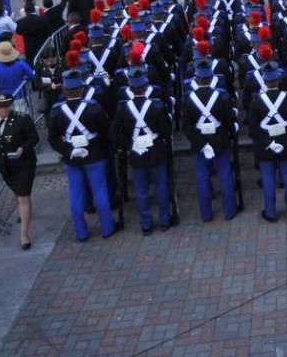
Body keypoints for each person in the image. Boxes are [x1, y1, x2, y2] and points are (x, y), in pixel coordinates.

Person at [48, 68, 118, 241]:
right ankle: (107, 227)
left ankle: (81, 231)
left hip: (72, 156)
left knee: (76, 194)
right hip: (94, 153)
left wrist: (67, 150)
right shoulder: (93, 107)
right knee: (100, 191)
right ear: (81, 89)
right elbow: (104, 130)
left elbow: (52, 138)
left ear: (64, 90)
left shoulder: (56, 110)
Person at [111, 68, 173, 234]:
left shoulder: (123, 108)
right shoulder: (156, 106)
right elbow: (166, 130)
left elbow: (114, 132)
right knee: (161, 187)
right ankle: (164, 220)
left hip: (136, 153)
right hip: (156, 151)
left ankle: (146, 224)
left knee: (141, 191)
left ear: (130, 89)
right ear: (146, 87)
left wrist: (130, 144)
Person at [181, 59, 239, 222]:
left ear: (197, 78)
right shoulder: (222, 96)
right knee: (225, 175)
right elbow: (228, 119)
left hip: (199, 140)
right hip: (220, 138)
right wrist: (230, 133)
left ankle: (206, 214)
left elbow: (186, 125)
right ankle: (229, 211)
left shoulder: (188, 98)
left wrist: (197, 141)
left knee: (202, 178)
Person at [246, 61, 287, 222]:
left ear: (264, 81)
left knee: (268, 179)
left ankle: (270, 212)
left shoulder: (256, 100)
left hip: (265, 145)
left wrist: (264, 141)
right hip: (286, 141)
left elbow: (253, 128)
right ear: (278, 80)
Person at [0, 92, 38, 249]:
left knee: (23, 196)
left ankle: (24, 235)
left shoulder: (22, 119)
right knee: (17, 192)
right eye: (0, 107)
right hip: (5, 164)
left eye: (6, 106)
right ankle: (24, 211)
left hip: (23, 163)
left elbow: (34, 138)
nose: (3, 110)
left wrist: (22, 148)